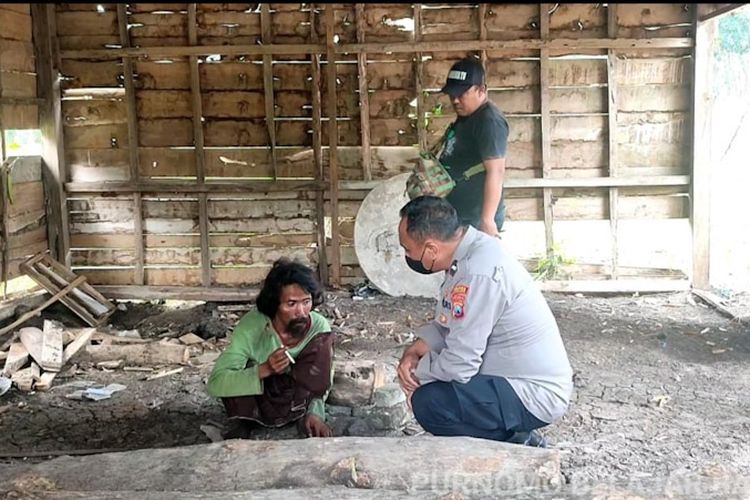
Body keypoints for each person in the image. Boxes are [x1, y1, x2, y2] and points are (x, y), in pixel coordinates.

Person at [396, 196, 573, 446]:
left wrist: (417, 375)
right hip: (507, 379)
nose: (407, 255)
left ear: (432, 249)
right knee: (433, 390)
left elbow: (460, 364)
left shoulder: (479, 273)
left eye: (407, 249)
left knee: (430, 403)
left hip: (533, 393)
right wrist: (415, 350)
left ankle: (516, 443)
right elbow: (450, 323)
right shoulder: (466, 254)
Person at [207, 258, 334, 438]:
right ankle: (246, 423)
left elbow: (321, 379)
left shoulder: (319, 327)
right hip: (258, 402)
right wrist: (264, 369)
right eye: (291, 304)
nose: (301, 312)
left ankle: (302, 415)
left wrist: (316, 414)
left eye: (306, 302)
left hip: (297, 399)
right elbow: (216, 383)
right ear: (275, 304)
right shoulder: (251, 327)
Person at [437, 57, 509, 238]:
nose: (455, 100)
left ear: (481, 90)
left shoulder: (489, 122)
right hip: (459, 214)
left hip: (475, 219)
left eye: (461, 94)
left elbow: (496, 171)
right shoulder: (468, 116)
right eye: (451, 94)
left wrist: (487, 220)